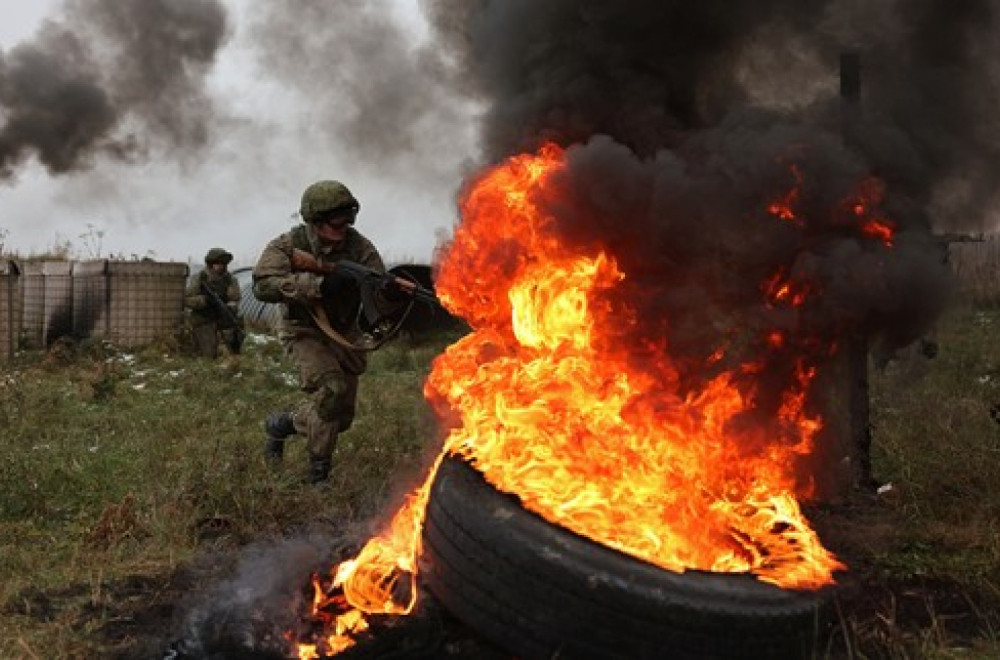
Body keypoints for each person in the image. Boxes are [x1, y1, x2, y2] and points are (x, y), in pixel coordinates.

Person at [252, 180, 404, 483]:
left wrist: (388, 293)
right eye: (334, 221)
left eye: (346, 219)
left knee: (341, 418)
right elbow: (262, 286)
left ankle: (282, 425)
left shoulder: (359, 247)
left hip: (342, 333)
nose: (341, 227)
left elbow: (378, 289)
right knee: (332, 391)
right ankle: (318, 475)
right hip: (303, 330)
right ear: (315, 219)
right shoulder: (287, 245)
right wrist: (317, 285)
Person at [184, 247, 244, 359]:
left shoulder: (230, 279)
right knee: (208, 354)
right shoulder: (200, 278)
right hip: (204, 320)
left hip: (223, 319)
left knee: (231, 349)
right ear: (212, 264)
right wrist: (204, 301)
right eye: (220, 264)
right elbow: (186, 299)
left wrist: (230, 306)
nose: (224, 266)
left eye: (225, 264)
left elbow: (235, 298)